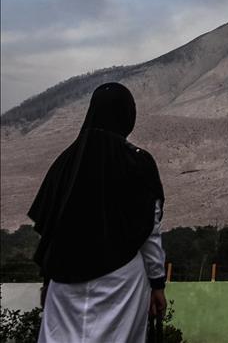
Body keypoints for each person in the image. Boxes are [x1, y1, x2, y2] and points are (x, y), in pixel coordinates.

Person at [29, 82, 168, 343]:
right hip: (121, 280)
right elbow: (150, 229)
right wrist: (157, 283)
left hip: (63, 281)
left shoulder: (64, 163)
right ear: (127, 114)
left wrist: (47, 279)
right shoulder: (137, 161)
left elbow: (50, 229)